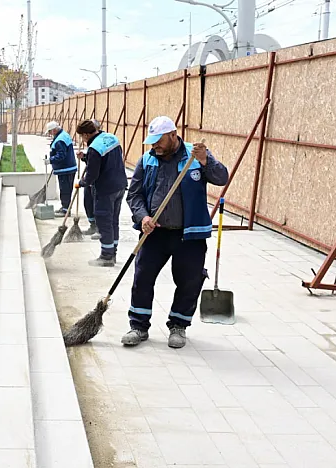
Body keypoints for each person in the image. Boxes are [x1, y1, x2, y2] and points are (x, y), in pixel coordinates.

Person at [123, 116, 228, 349]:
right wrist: (143, 217)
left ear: (173, 135)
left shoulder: (195, 155)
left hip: (189, 234)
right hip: (154, 232)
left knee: (189, 281)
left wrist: (206, 161)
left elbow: (222, 178)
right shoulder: (147, 160)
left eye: (159, 141)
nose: (155, 146)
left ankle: (178, 325)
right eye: (152, 141)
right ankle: (138, 326)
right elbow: (134, 195)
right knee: (142, 278)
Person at [74, 119, 127, 267]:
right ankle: (113, 252)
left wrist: (81, 183)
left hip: (106, 189)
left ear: (86, 134)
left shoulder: (94, 148)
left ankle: (106, 256)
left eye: (82, 136)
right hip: (120, 186)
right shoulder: (111, 138)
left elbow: (92, 175)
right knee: (113, 221)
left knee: (104, 221)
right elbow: (106, 161)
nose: (83, 140)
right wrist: (86, 158)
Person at [45, 121, 77, 217]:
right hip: (68, 168)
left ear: (54, 130)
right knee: (66, 189)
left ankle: (65, 210)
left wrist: (50, 160)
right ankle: (65, 207)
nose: (50, 134)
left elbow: (61, 155)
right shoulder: (63, 135)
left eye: (50, 132)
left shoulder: (60, 140)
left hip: (65, 169)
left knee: (65, 190)